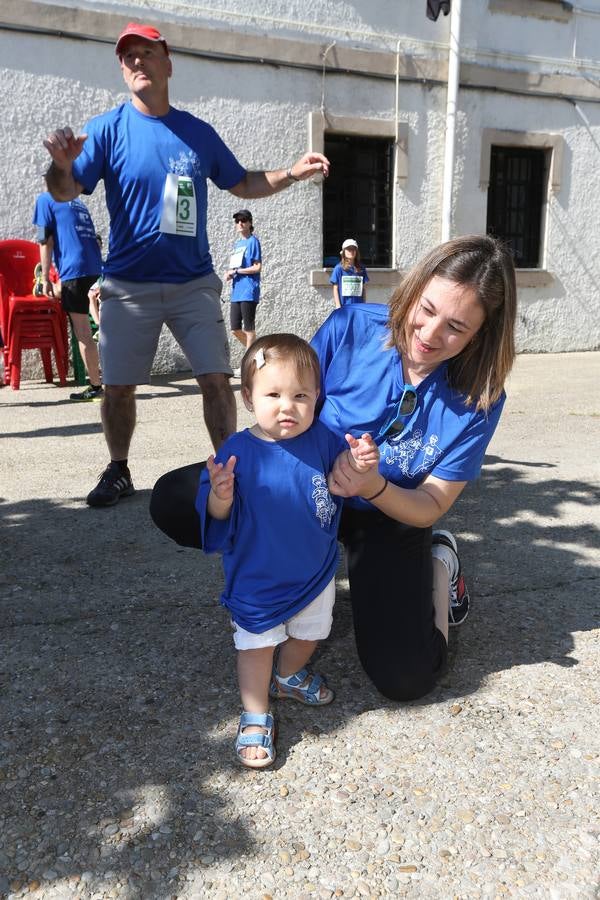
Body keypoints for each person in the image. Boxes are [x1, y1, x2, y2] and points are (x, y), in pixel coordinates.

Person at [150, 234, 517, 706]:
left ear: (481, 334)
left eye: (455, 327)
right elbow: (284, 398)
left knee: (406, 678)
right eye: (425, 310)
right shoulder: (350, 327)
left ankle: (440, 568)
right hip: (303, 494)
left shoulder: (480, 399)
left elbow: (432, 503)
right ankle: (289, 574)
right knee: (178, 499)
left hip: (390, 508)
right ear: (413, 290)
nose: (427, 335)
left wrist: (374, 484)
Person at [42, 21, 330, 508]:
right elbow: (64, 191)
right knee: (117, 388)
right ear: (122, 68)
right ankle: (119, 468)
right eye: (127, 56)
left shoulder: (197, 133)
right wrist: (63, 166)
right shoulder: (109, 130)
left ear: (167, 63)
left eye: (146, 53)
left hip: (192, 282)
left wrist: (292, 173)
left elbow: (242, 183)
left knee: (216, 379)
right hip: (128, 285)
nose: (136, 61)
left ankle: (232, 466)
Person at [198, 334, 379, 767]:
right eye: (273, 394)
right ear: (247, 397)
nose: (287, 406)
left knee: (311, 633)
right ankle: (255, 712)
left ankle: (289, 674)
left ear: (317, 397)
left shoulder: (324, 440)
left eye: (301, 395)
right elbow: (214, 511)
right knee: (256, 645)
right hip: (258, 576)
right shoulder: (238, 451)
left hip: (315, 571)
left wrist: (362, 463)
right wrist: (220, 493)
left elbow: (347, 474)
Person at [32, 192, 103, 401]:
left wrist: (45, 277)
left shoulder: (45, 200)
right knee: (70, 297)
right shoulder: (78, 203)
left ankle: (96, 387)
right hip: (92, 268)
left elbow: (45, 241)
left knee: (83, 332)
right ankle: (53, 288)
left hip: (74, 270)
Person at [224, 209, 262, 376]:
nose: (240, 223)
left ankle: (247, 365)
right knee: (234, 329)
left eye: (244, 220)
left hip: (248, 290)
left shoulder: (253, 242)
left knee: (248, 328)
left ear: (250, 223)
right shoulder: (237, 244)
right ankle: (257, 352)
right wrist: (230, 273)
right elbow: (236, 267)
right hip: (236, 291)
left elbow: (257, 267)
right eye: (237, 221)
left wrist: (239, 271)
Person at [329, 238, 369, 308]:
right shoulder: (338, 268)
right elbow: (335, 288)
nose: (351, 251)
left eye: (353, 249)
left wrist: (364, 304)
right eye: (348, 249)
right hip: (344, 307)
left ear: (356, 252)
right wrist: (338, 305)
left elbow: (364, 288)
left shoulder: (361, 268)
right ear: (344, 252)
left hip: (358, 306)